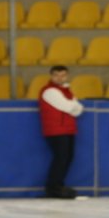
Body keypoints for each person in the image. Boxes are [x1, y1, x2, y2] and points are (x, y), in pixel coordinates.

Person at [37, 65, 85, 199]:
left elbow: (79, 109)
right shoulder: (49, 91)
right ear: (51, 76)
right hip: (56, 130)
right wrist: (73, 106)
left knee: (67, 158)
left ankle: (57, 185)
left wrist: (73, 106)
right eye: (56, 75)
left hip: (66, 128)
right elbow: (71, 107)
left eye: (63, 75)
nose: (60, 78)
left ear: (67, 76)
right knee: (61, 158)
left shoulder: (66, 91)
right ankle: (53, 187)